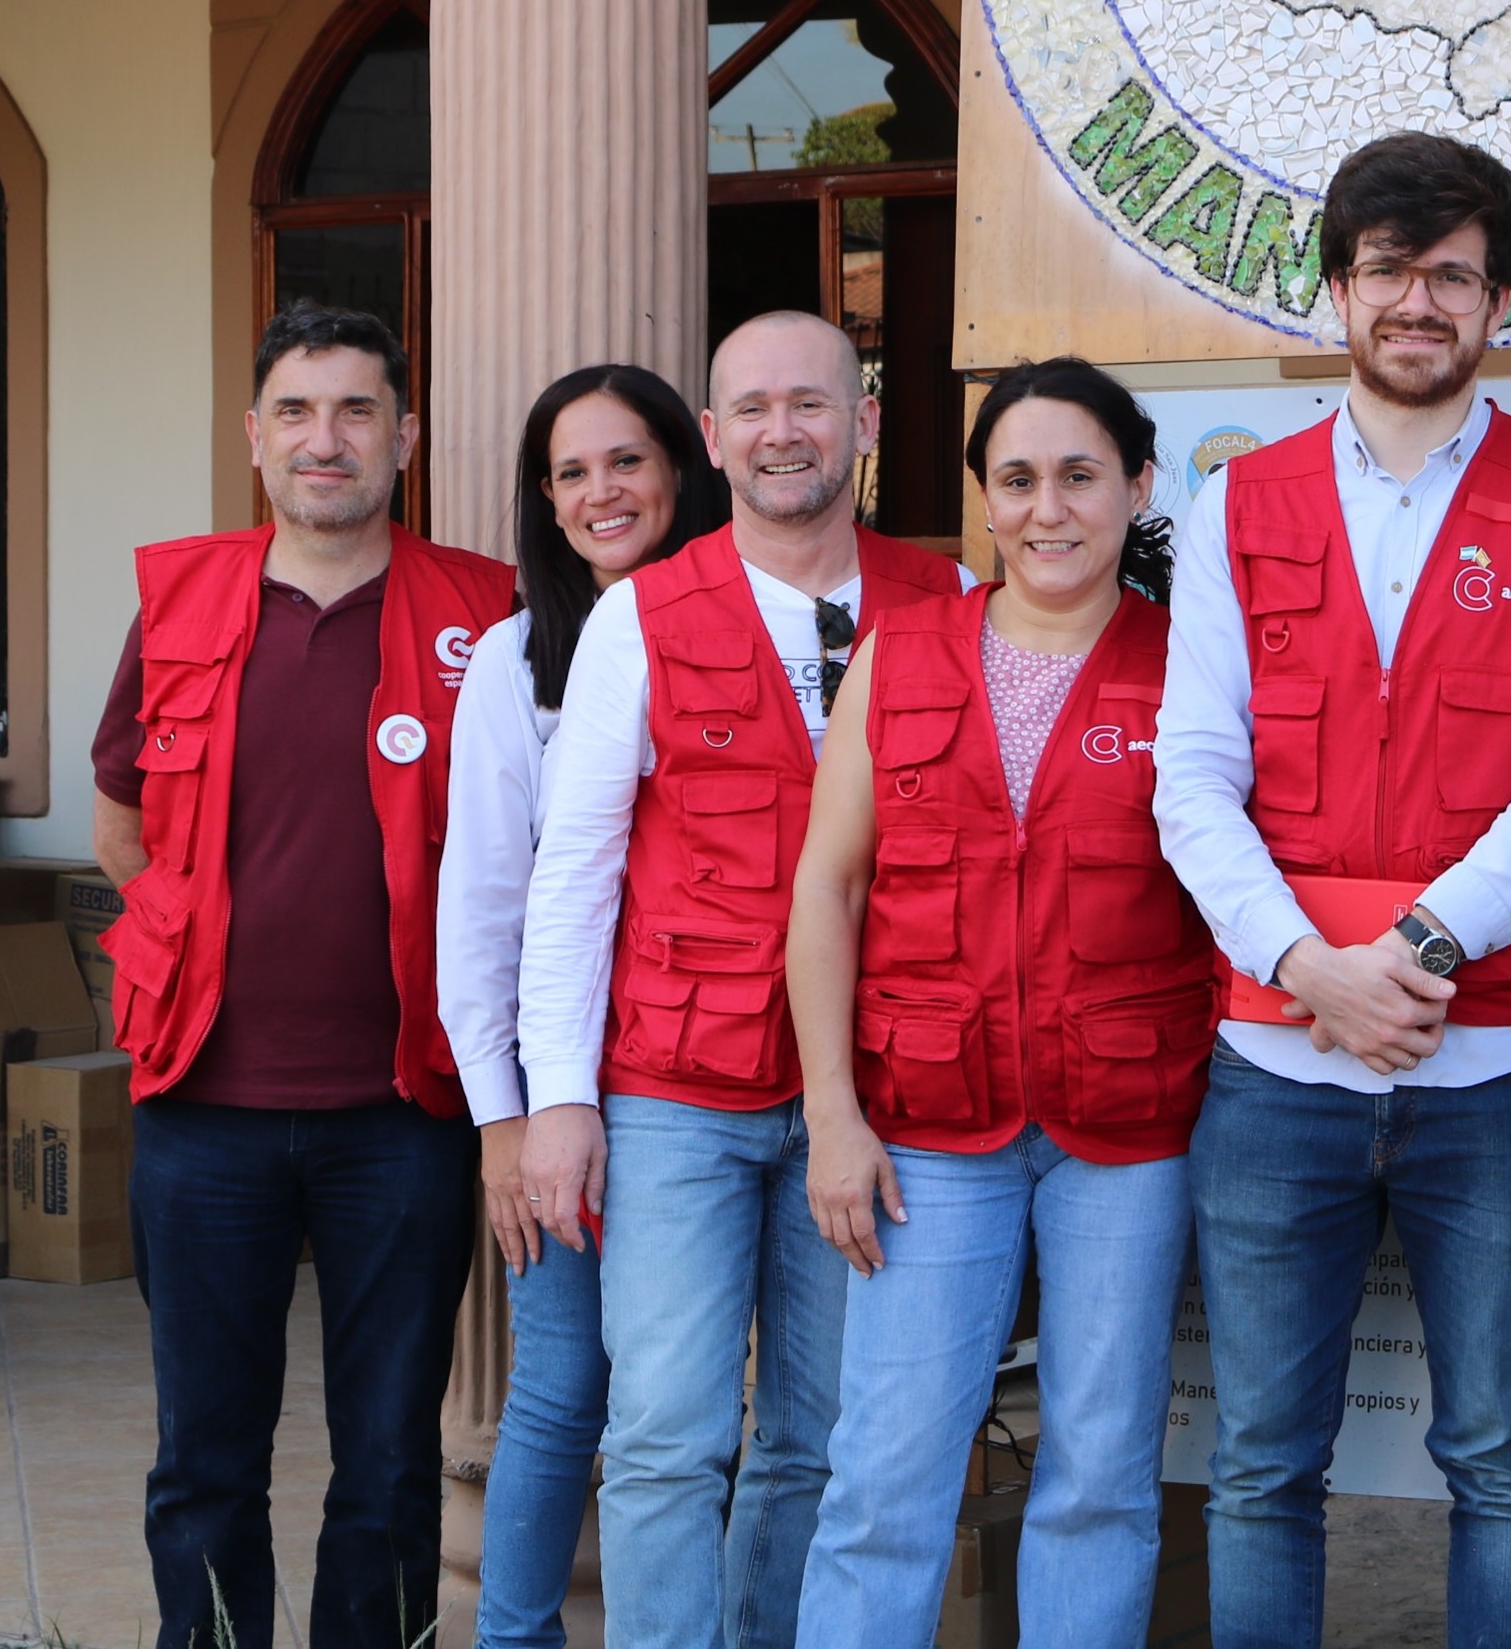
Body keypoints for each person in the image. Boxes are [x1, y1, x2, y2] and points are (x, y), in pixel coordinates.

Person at [1153, 132, 1511, 1649]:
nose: (1416, 300)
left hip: (1495, 1062)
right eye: (1387, 268)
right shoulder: (1239, 500)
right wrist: (1313, 965)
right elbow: (1191, 773)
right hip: (1275, 1060)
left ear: (1499, 298)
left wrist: (1413, 945)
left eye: (1451, 271)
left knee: (1501, 1455)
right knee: (1256, 1463)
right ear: (1338, 288)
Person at [513, 311, 967, 1649]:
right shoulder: (637, 615)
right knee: (664, 1431)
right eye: (753, 408)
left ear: (865, 422)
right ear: (712, 440)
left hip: (875, 1093)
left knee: (821, 1431)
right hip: (674, 1088)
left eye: (813, 403)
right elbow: (573, 869)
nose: (785, 430)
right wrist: (557, 1096)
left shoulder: (941, 606)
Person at [92, 301, 516, 1649]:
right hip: (203, 1105)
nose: (322, 438)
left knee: (388, 1460)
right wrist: (204, 932)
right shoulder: (181, 601)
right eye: (295, 409)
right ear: (254, 436)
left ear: (405, 434)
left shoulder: (487, 609)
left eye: (353, 411)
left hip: (406, 1112)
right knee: (205, 1454)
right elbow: (121, 822)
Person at [786, 358, 1215, 1648]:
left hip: (1125, 1134)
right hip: (926, 1130)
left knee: (1097, 1477)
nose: (1048, 510)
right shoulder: (902, 650)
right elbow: (828, 886)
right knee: (885, 1475)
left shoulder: (1192, 662)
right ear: (982, 498)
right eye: (1016, 480)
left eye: (1080, 477)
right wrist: (832, 1117)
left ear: (1137, 486)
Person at [438, 365, 728, 1649]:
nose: (600, 492)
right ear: (543, 503)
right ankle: (512, 1640)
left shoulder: (754, 626)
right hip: (575, 1090)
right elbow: (482, 903)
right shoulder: (516, 659)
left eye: (625, 461)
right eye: (570, 472)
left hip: (732, 1072)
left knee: (712, 1404)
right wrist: (502, 1117)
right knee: (563, 1382)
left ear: (681, 467)